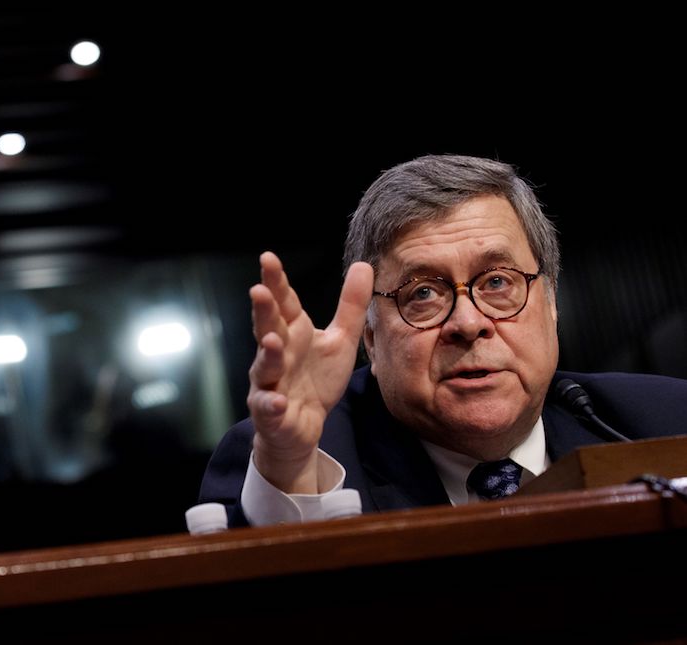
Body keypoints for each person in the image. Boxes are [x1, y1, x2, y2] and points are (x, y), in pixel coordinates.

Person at [199, 154, 687, 527]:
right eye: (424, 293)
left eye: (497, 282)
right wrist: (290, 468)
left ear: (551, 302)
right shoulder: (301, 459)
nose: (469, 322)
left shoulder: (663, 423)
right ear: (370, 334)